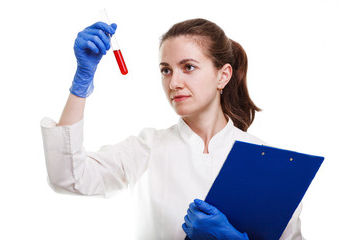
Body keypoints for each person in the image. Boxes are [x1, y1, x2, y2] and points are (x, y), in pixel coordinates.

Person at [41, 19, 304, 239]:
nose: (174, 82)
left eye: (188, 67)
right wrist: (81, 82)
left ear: (223, 75)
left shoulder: (267, 159)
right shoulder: (147, 148)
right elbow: (67, 177)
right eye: (166, 70)